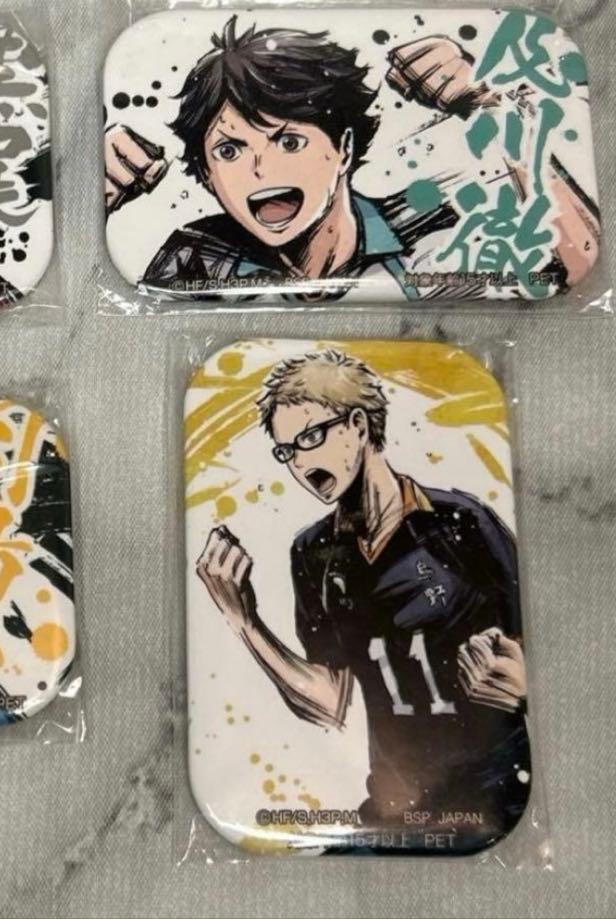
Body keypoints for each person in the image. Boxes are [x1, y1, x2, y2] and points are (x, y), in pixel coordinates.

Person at [196, 349, 529, 848]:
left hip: (492, 801)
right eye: (287, 451)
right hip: (390, 810)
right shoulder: (312, 553)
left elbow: (540, 637)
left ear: (357, 425)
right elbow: (328, 701)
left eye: (310, 437)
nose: (300, 463)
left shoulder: (463, 523)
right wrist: (244, 619)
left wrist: (521, 681)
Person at [106, 17, 597, 298]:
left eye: (289, 142)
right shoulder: (195, 256)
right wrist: (97, 193)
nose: (260, 169)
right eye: (229, 150)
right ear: (208, 175)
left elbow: (569, 264)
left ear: (343, 148)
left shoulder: (428, 234)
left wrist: (495, 110)